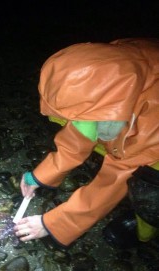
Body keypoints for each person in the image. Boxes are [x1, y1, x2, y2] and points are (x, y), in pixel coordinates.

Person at [14, 38, 159, 247]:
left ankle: (145, 228)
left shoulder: (149, 121)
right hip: (131, 123)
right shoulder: (110, 72)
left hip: (153, 142)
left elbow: (115, 179)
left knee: (148, 191)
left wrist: (55, 223)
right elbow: (80, 132)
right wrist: (41, 176)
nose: (76, 123)